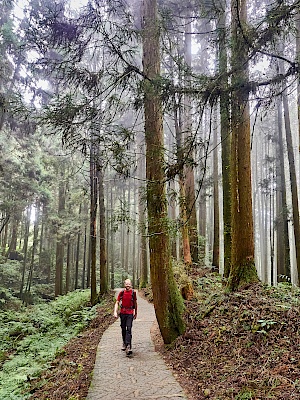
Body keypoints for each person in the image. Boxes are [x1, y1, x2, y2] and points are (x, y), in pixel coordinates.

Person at [114, 279, 137, 355]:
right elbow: (117, 302)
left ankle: (129, 346)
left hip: (130, 312)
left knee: (129, 328)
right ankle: (124, 342)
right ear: (124, 284)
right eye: (126, 284)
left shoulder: (133, 293)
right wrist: (115, 311)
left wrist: (135, 313)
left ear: (131, 284)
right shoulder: (122, 292)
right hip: (123, 313)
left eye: (129, 284)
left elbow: (135, 303)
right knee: (123, 328)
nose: (128, 285)